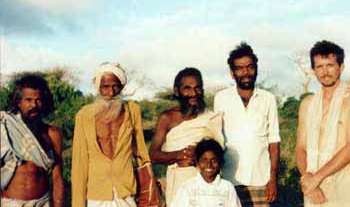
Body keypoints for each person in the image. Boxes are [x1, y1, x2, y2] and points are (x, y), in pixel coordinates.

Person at [71, 62, 150, 207]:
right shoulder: (84, 115)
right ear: (98, 88)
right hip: (97, 194)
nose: (111, 92)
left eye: (115, 86)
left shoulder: (132, 110)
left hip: (126, 192)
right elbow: (79, 164)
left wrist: (149, 188)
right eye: (105, 87)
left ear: (121, 86)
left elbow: (141, 153)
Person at [214, 43, 280, 207]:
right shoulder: (221, 98)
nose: (246, 73)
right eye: (240, 68)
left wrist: (273, 179)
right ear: (232, 72)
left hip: (261, 180)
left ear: (256, 69)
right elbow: (216, 138)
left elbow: (274, 141)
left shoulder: (268, 99)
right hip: (229, 179)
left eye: (250, 67)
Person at [149, 67, 224, 206]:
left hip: (207, 185)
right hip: (179, 183)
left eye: (197, 88)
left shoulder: (210, 118)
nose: (193, 93)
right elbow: (153, 154)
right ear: (177, 91)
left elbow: (220, 152)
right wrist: (180, 155)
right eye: (187, 88)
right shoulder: (167, 118)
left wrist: (199, 152)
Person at [296, 40, 350, 207]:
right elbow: (300, 148)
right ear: (313, 71)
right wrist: (308, 180)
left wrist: (317, 178)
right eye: (319, 67)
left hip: (342, 185)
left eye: (330, 65)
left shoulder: (348, 101)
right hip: (312, 189)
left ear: (341, 67)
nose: (325, 72)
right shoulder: (307, 104)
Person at [0, 74, 64, 207]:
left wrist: (58, 204)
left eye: (38, 100)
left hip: (43, 202)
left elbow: (57, 177)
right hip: (11, 203)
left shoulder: (52, 134)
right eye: (28, 100)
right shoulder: (5, 128)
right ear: (18, 102)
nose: (34, 105)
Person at [170, 138, 242, 207]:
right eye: (204, 160)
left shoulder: (227, 187)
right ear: (197, 162)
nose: (209, 165)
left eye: (213, 160)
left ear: (220, 162)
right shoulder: (186, 187)